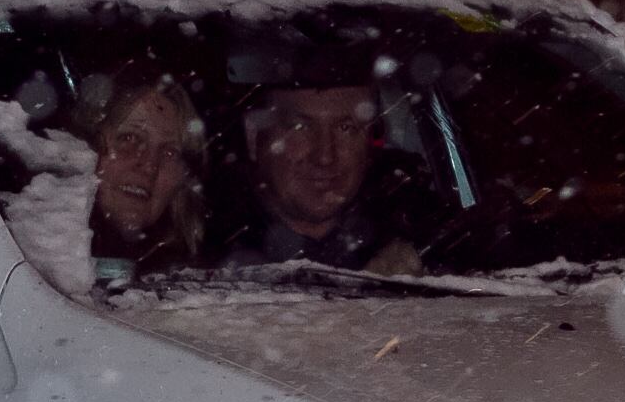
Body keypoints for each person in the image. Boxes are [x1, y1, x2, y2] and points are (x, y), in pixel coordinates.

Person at [228, 82, 421, 274]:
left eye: (345, 127)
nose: (325, 157)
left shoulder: (419, 230)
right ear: (253, 136)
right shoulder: (208, 251)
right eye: (300, 127)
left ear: (369, 141)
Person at [86, 71, 204, 277]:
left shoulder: (198, 288)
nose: (150, 165)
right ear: (88, 147)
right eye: (129, 138)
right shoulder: (32, 262)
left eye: (169, 152)